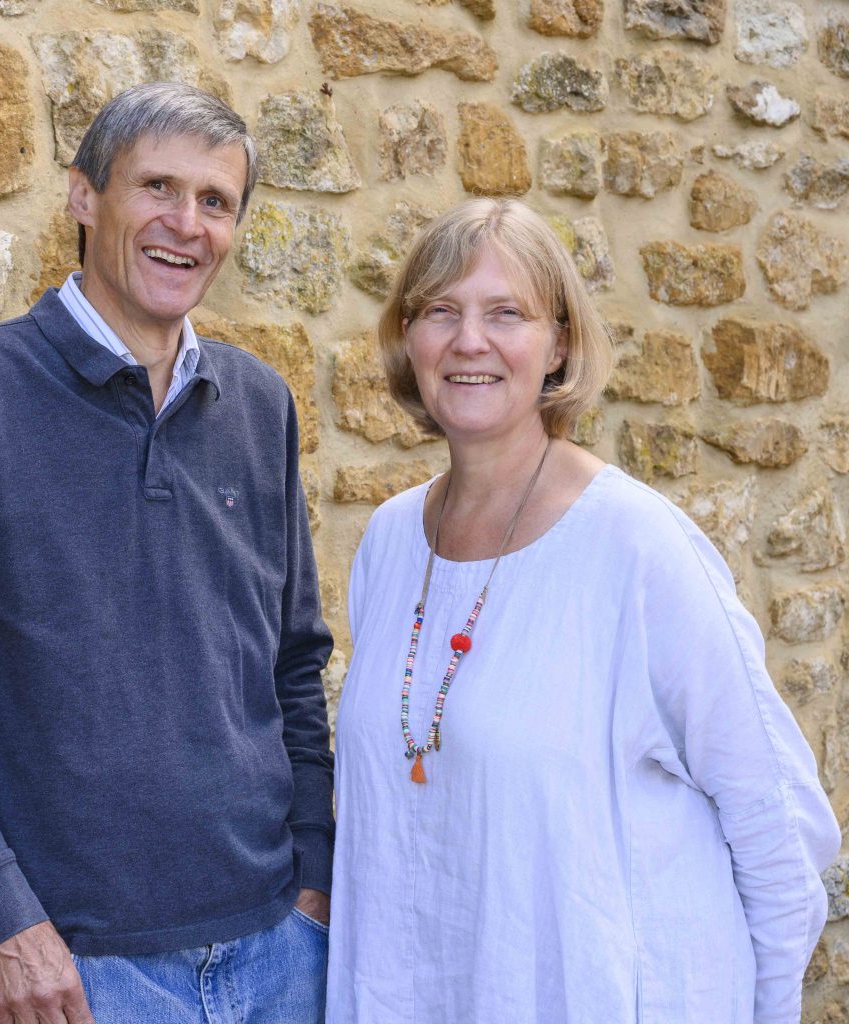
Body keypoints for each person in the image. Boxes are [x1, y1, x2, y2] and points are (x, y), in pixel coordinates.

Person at [0, 81, 334, 1024]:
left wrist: (314, 882)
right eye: (156, 186)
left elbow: (294, 664)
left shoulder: (260, 404)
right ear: (82, 196)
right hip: (72, 973)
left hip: (278, 954)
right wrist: (0, 917)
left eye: (215, 201)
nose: (184, 224)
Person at [326, 197, 840, 1024]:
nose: (469, 341)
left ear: (559, 341)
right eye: (442, 312)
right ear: (408, 338)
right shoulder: (390, 543)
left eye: (507, 313)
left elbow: (777, 826)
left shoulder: (636, 548)